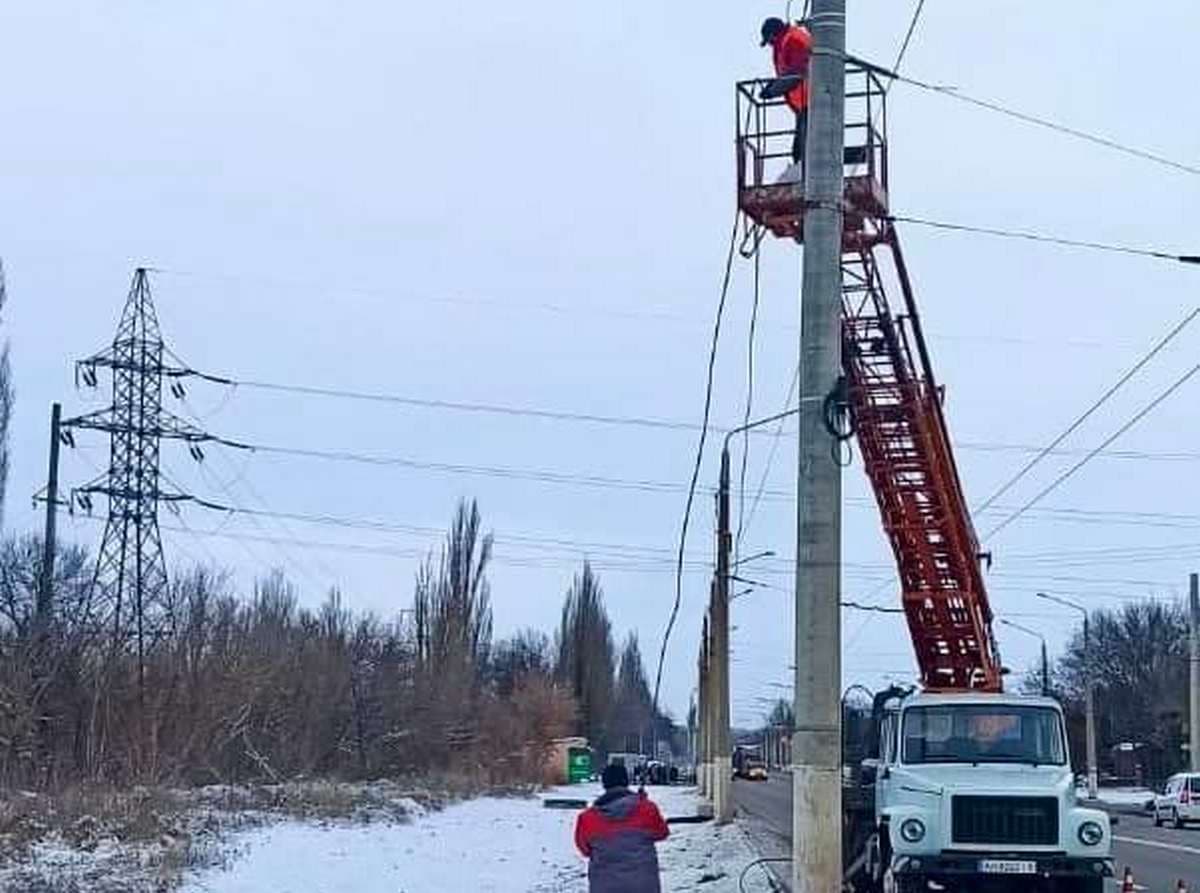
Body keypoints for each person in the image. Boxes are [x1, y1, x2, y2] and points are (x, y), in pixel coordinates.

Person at [574, 763, 670, 893]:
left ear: (604, 784)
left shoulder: (587, 818)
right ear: (626, 781)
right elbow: (662, 833)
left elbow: (585, 850)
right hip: (643, 886)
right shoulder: (647, 808)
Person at [760, 16, 813, 166]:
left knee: (804, 151)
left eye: (769, 41)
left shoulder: (793, 39)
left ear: (773, 35)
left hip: (812, 102)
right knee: (802, 150)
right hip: (805, 104)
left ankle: (859, 156)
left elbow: (798, 72)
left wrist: (773, 90)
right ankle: (859, 156)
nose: (770, 45)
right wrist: (774, 85)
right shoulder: (786, 41)